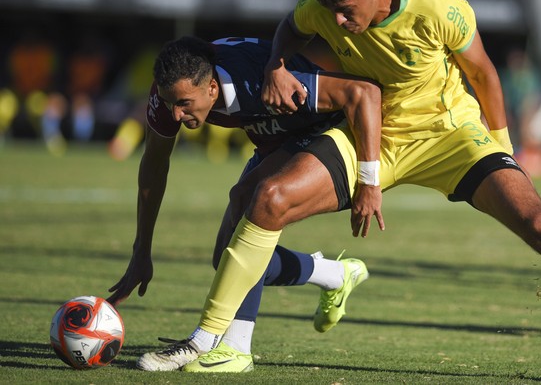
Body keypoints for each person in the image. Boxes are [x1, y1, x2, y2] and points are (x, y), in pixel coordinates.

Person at [146, 0, 541, 380]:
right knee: (267, 198)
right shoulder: (322, 8)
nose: (336, 23)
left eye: (347, 11)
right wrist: (275, 65)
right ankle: (205, 340)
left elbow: (484, 75)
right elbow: (292, 25)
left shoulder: (438, 6)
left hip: (452, 136)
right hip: (373, 132)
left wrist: (501, 150)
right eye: (330, 12)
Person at [108, 35, 378, 372]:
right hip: (276, 141)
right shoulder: (169, 92)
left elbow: (360, 93)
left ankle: (233, 348)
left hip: (329, 130)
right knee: (227, 259)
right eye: (169, 102)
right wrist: (141, 250)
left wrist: (370, 180)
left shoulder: (258, 78)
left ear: (210, 88)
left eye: (184, 103)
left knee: (245, 199)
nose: (175, 113)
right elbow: (153, 165)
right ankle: (335, 274)